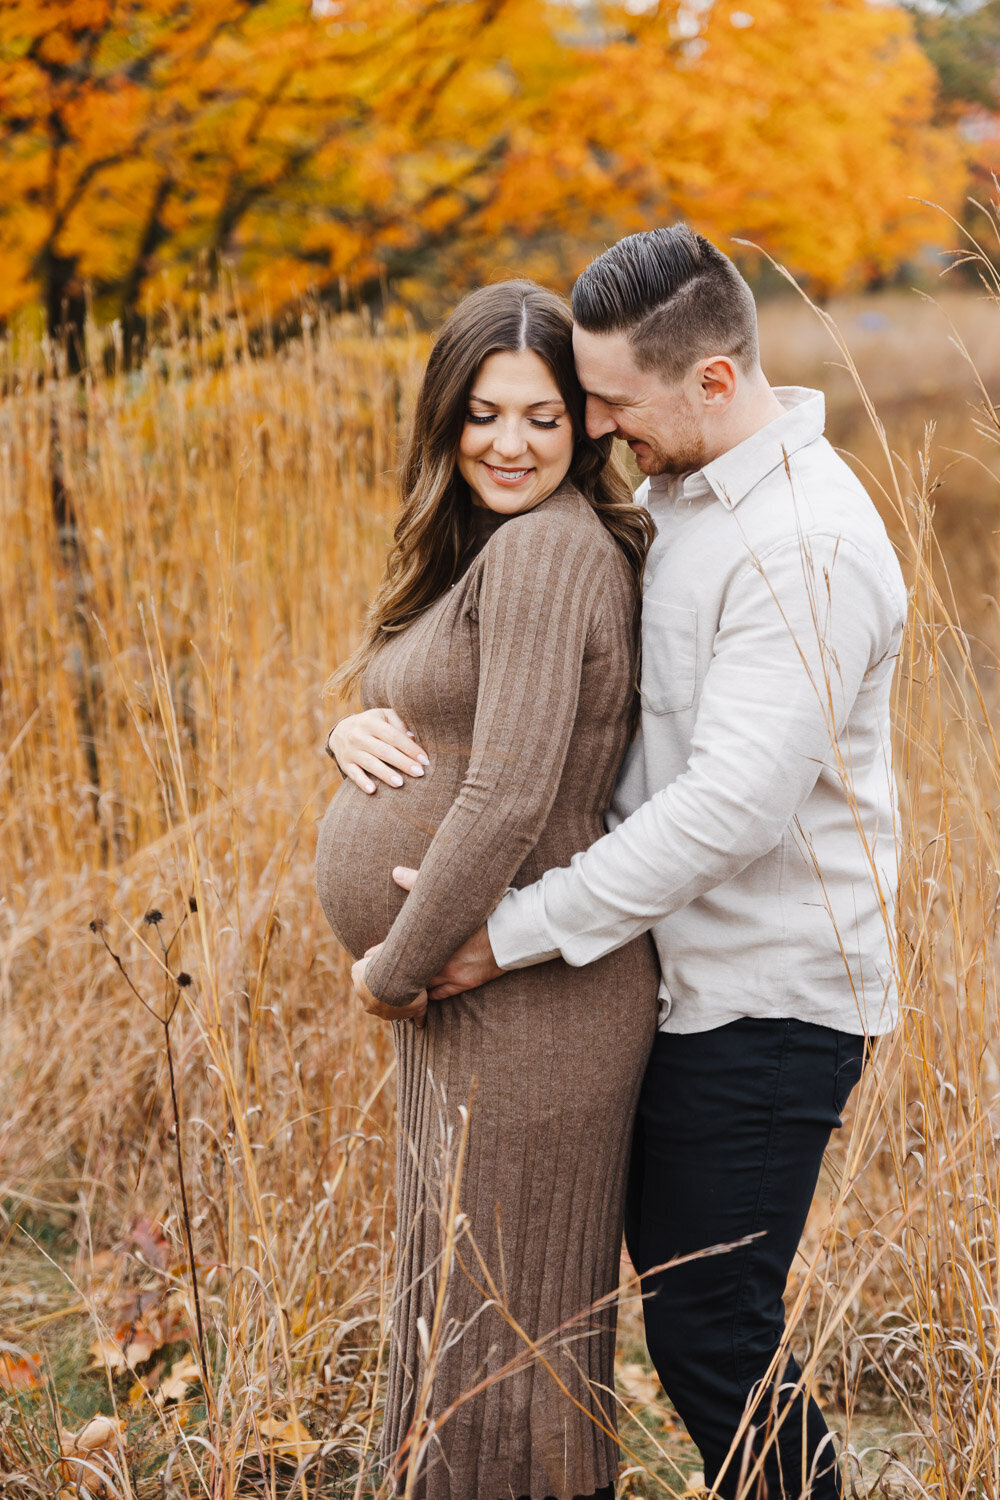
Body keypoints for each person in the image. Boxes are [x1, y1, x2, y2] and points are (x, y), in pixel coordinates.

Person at [335, 228, 907, 1499]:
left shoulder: (801, 546)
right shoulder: (683, 498)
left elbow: (722, 814)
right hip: (671, 985)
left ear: (710, 380)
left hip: (766, 999)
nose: (587, 429)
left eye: (603, 402)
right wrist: (364, 718)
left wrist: (502, 931)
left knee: (709, 1331)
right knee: (665, 1314)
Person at [315, 279, 660, 1500]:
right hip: (484, 993)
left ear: (585, 426)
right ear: (442, 421)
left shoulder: (548, 548)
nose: (507, 444)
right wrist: (348, 726)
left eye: (542, 417)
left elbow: (510, 795)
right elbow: (445, 722)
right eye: (479, 413)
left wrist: (394, 969)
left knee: (507, 1344)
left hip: (518, 998)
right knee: (471, 1323)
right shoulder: (504, 547)